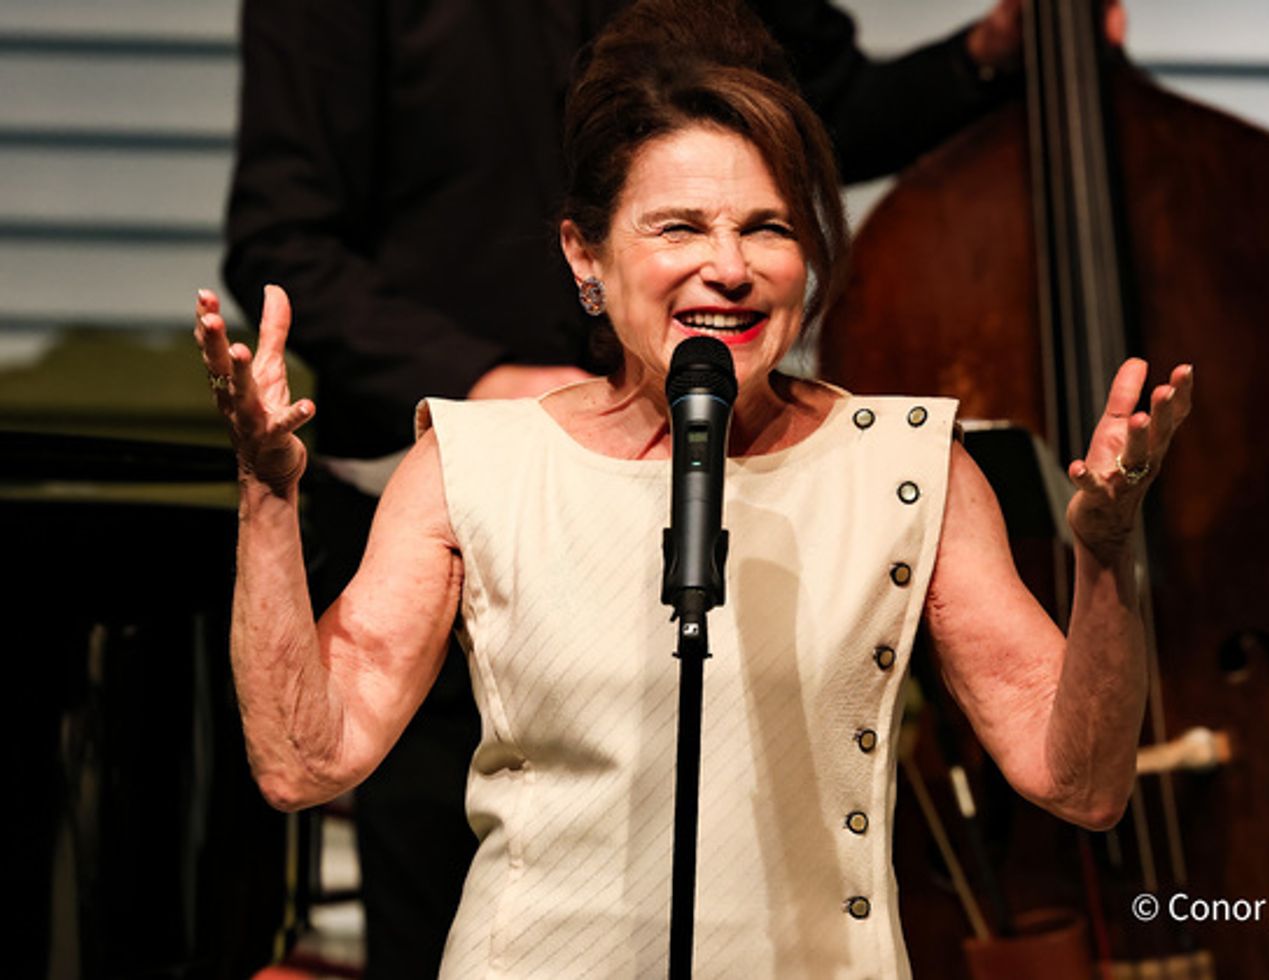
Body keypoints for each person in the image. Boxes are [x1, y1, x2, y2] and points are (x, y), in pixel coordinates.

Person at [200, 0, 1173, 974]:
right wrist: (267, 498)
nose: (728, 267)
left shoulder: (912, 469)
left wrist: (1102, 558)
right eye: (678, 227)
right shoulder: (471, 463)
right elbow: (301, 762)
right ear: (585, 253)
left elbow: (1080, 782)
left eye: (768, 228)